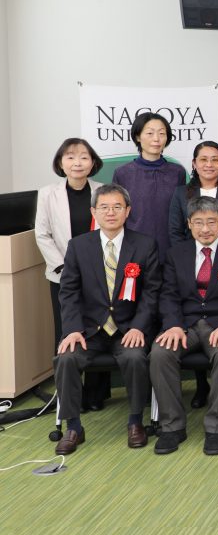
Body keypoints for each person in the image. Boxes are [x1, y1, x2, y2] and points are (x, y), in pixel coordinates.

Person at [52, 184, 161, 454]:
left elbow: (152, 292)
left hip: (128, 329)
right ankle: (73, 426)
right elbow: (69, 293)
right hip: (88, 330)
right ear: (94, 212)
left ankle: (136, 421)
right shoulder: (78, 246)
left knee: (136, 357)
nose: (110, 212)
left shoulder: (145, 245)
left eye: (117, 207)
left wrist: (138, 327)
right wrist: (73, 330)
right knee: (66, 357)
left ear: (128, 211)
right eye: (104, 207)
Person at [149, 197, 218, 456]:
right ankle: (172, 426)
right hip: (185, 323)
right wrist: (172, 325)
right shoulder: (176, 254)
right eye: (198, 222)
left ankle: (217, 428)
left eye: (211, 222)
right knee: (160, 353)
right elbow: (168, 294)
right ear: (189, 224)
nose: (205, 229)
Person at [36, 138, 111, 411]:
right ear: (60, 163)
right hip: (62, 274)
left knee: (100, 328)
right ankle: (70, 397)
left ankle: (97, 394)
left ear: (93, 163)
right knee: (68, 330)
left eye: (83, 157)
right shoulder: (48, 194)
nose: (77, 162)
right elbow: (42, 234)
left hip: (100, 275)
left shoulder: (103, 191)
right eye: (70, 157)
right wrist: (64, 267)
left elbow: (111, 232)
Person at [111, 111, 186, 256]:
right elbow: (118, 213)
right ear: (138, 136)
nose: (156, 139)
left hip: (171, 248)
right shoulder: (123, 173)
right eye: (150, 133)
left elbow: (181, 212)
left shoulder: (177, 172)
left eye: (162, 133)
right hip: (134, 249)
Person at [169, 141, 218, 246]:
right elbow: (175, 232)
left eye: (215, 160)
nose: (209, 164)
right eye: (203, 159)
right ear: (194, 163)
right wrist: (186, 257)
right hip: (191, 257)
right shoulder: (180, 193)